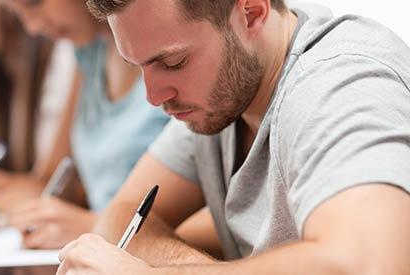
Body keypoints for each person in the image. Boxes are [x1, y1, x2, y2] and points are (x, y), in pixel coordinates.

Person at [57, 0, 410, 274]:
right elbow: (121, 217)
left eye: (174, 62)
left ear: (252, 12)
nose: (153, 96)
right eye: (140, 67)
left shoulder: (340, 86)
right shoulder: (219, 99)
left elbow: (368, 265)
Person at [0, 0, 170, 252]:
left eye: (34, 2)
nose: (32, 27)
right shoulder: (88, 52)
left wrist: (95, 226)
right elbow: (48, 181)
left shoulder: (166, 51)